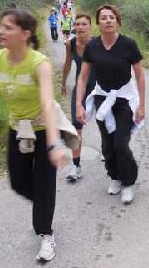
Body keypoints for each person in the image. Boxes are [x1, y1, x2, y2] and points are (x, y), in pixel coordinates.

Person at [0, 9, 67, 263]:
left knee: (43, 183)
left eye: (8, 27)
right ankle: (45, 204)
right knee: (18, 182)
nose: (0, 31)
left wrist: (54, 143)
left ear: (25, 34)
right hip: (19, 129)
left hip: (44, 128)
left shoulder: (39, 63)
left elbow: (47, 103)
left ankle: (46, 233)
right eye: (1, 26)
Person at [76, 5, 145, 205]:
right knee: (107, 145)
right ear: (98, 23)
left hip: (124, 100)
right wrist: (79, 104)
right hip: (102, 99)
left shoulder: (128, 44)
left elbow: (140, 76)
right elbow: (83, 77)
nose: (108, 20)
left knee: (120, 144)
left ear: (117, 21)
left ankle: (128, 182)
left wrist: (141, 106)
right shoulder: (92, 46)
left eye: (112, 17)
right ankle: (115, 176)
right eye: (104, 18)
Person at [61, 13, 97, 181]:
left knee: (105, 123)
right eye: (77, 24)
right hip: (80, 88)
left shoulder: (97, 43)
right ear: (74, 26)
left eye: (84, 24)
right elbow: (68, 64)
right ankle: (76, 166)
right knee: (76, 127)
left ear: (90, 26)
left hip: (99, 88)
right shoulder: (71, 44)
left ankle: (108, 153)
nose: (80, 27)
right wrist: (63, 83)